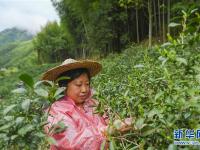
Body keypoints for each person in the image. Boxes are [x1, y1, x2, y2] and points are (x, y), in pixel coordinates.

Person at [42, 58, 132, 150]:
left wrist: (124, 124)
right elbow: (73, 142)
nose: (84, 90)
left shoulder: (94, 103)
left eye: (87, 84)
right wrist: (109, 130)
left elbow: (111, 119)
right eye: (78, 85)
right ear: (64, 86)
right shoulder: (56, 112)